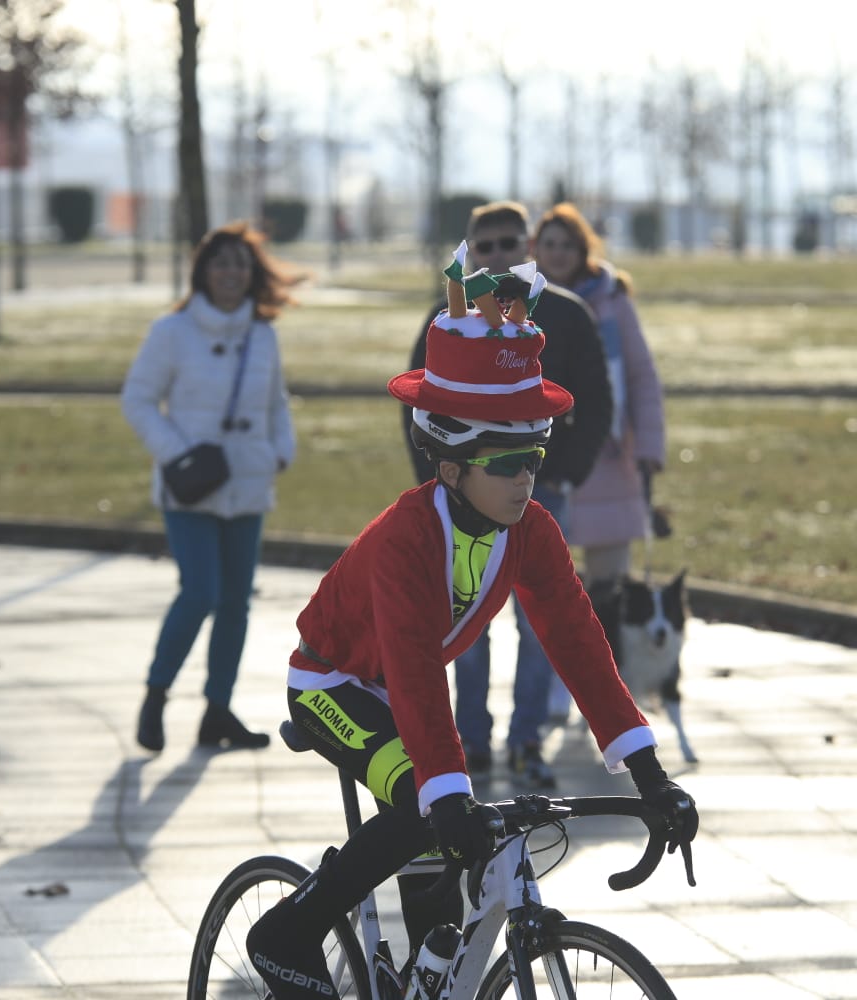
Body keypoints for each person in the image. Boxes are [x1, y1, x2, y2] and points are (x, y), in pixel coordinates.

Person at [245, 262, 697, 1000]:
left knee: (445, 870)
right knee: (428, 799)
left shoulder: (532, 529)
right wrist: (448, 792)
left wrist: (649, 773)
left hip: (403, 692)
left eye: (537, 455)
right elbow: (415, 666)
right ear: (451, 465)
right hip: (333, 682)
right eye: (510, 461)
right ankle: (289, 930)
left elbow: (581, 646)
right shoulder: (405, 539)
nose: (528, 478)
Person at [400, 200, 612, 788]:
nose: (496, 256)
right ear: (471, 250)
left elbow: (593, 403)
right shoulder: (446, 324)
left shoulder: (565, 316)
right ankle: (470, 738)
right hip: (463, 497)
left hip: (540, 492)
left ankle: (527, 740)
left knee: (540, 621)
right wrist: (442, 479)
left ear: (528, 247)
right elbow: (420, 403)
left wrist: (560, 471)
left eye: (507, 244)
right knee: (465, 619)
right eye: (483, 246)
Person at [120, 222, 301, 753]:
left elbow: (276, 403)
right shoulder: (171, 332)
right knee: (200, 592)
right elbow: (137, 399)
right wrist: (179, 454)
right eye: (220, 263)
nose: (231, 273)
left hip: (247, 480)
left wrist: (281, 451)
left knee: (237, 602)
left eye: (240, 264)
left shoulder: (263, 333)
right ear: (202, 270)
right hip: (191, 486)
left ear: (252, 274)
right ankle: (156, 694)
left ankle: (218, 711)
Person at [532, 203, 667, 721]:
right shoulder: (522, 302)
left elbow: (641, 377)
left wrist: (651, 447)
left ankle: (608, 695)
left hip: (609, 460)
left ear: (582, 250)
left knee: (607, 594)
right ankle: (553, 690)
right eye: (550, 245)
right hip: (549, 461)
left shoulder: (613, 302)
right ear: (536, 252)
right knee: (553, 594)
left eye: (568, 245)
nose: (559, 254)